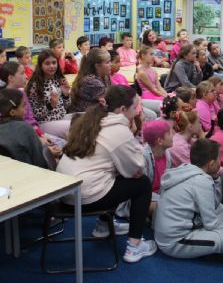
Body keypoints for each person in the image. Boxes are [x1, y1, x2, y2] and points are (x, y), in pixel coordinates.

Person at [57, 85, 157, 263]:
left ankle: (103, 224)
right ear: (122, 109)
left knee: (113, 174)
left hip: (65, 192)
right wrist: (133, 133)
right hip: (83, 196)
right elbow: (137, 167)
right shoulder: (118, 130)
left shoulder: (92, 119)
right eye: (135, 107)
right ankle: (134, 246)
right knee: (142, 184)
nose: (137, 112)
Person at [154, 139, 223, 262]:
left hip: (169, 232)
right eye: (219, 159)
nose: (220, 162)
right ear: (211, 164)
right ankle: (217, 250)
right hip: (175, 242)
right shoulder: (202, 181)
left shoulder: (186, 169)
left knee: (221, 209)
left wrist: (215, 178)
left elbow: (215, 204)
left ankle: (216, 239)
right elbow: (211, 224)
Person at [0, 61, 65, 151]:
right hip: (21, 139)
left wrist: (41, 134)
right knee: (57, 148)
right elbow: (16, 129)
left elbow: (30, 119)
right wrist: (37, 139)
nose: (26, 76)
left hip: (32, 133)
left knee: (63, 144)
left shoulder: (22, 93)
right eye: (22, 73)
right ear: (11, 78)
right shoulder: (3, 100)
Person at [0, 89, 50, 168]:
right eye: (23, 105)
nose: (26, 108)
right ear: (12, 112)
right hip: (28, 171)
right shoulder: (25, 128)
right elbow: (40, 162)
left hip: (7, 170)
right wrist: (48, 153)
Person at [26, 50, 71, 139]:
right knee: (74, 126)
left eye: (54, 63)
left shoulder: (57, 78)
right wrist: (50, 106)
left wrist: (66, 95)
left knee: (86, 118)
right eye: (47, 63)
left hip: (61, 117)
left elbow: (66, 106)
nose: (52, 66)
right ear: (40, 66)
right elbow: (35, 114)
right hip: (45, 122)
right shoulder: (35, 84)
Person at [142, 120, 173, 214]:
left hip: (158, 196)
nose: (172, 136)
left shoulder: (166, 154)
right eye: (169, 134)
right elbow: (142, 192)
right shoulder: (143, 159)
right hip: (143, 199)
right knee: (172, 207)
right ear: (160, 141)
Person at [71, 48, 111, 112]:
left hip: (94, 114)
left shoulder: (105, 76)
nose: (110, 64)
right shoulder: (91, 81)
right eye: (107, 62)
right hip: (83, 116)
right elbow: (111, 101)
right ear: (97, 66)